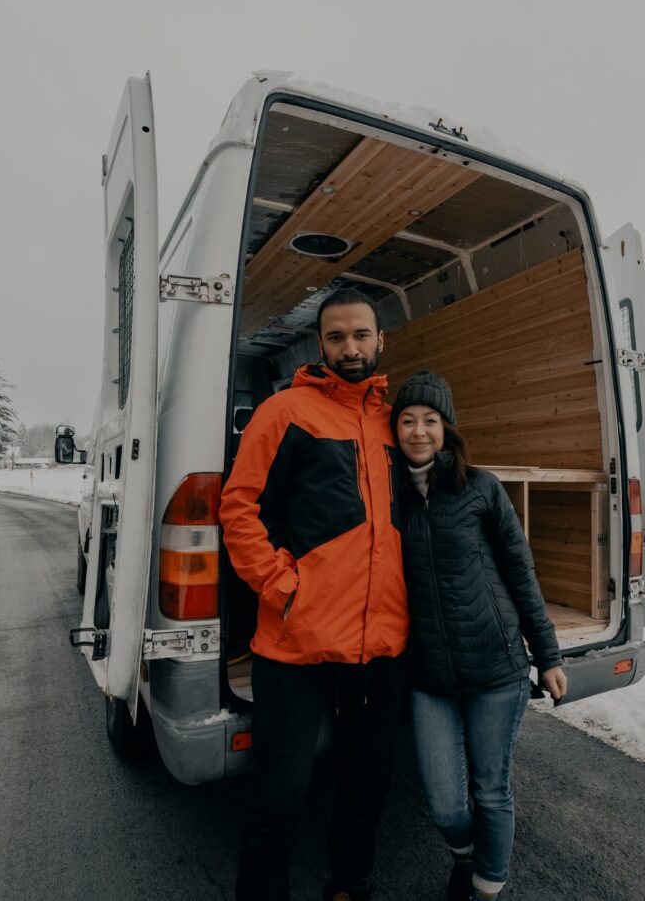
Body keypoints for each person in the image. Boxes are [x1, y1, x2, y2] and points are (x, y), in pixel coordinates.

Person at [220, 289, 409, 901]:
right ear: (319, 345)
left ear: (380, 341)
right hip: (296, 646)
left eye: (360, 335)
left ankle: (349, 887)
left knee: (367, 784)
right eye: (336, 337)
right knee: (280, 793)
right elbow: (238, 506)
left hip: (379, 650)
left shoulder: (394, 422)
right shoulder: (285, 411)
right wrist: (282, 587)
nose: (349, 348)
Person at [391, 370, 567, 901]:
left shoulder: (481, 488)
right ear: (394, 429)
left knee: (491, 791)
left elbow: (520, 572)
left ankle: (487, 887)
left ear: (447, 429)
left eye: (430, 421)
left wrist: (549, 655)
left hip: (496, 667)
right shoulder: (384, 495)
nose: (419, 431)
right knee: (445, 803)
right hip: (429, 675)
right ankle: (464, 858)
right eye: (407, 420)